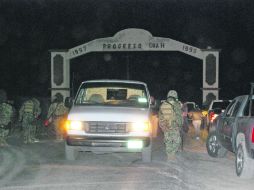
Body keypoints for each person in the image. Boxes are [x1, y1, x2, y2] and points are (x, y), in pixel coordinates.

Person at [158, 90, 183, 161]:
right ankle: (172, 154)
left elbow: (160, 116)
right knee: (177, 140)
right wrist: (180, 125)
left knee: (168, 141)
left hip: (166, 126)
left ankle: (169, 156)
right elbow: (179, 116)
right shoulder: (177, 104)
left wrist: (162, 126)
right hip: (175, 126)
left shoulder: (163, 104)